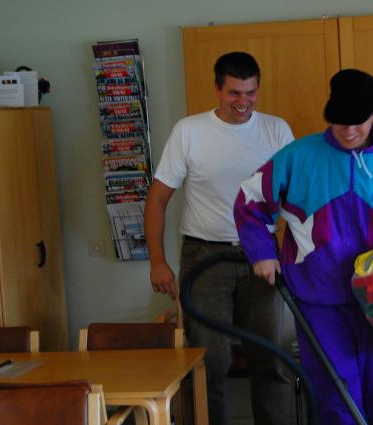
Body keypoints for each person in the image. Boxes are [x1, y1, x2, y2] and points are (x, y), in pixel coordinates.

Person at [234, 68, 373, 424]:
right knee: (337, 397)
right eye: (341, 122)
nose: (349, 130)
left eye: (358, 122)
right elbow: (251, 201)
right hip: (319, 301)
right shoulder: (298, 157)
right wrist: (262, 252)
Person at [144, 51, 294, 425]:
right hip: (205, 257)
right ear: (217, 89)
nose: (243, 102)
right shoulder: (189, 131)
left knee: (271, 358)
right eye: (234, 93)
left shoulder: (276, 130)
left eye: (250, 93)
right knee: (208, 363)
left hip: (262, 254)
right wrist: (157, 262)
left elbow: (296, 199)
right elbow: (157, 199)